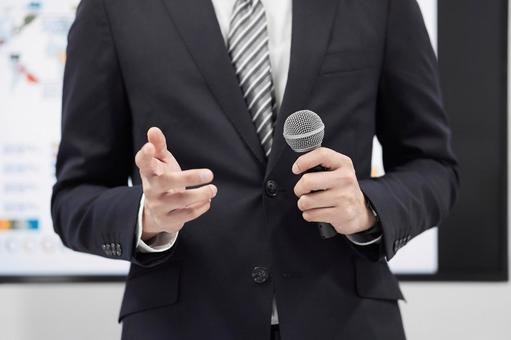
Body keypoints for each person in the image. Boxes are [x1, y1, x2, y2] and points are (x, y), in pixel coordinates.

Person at [51, 0, 459, 339]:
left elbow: (433, 166)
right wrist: (148, 217)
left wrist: (367, 209)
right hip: (183, 324)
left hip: (347, 321)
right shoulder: (113, 7)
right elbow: (75, 196)